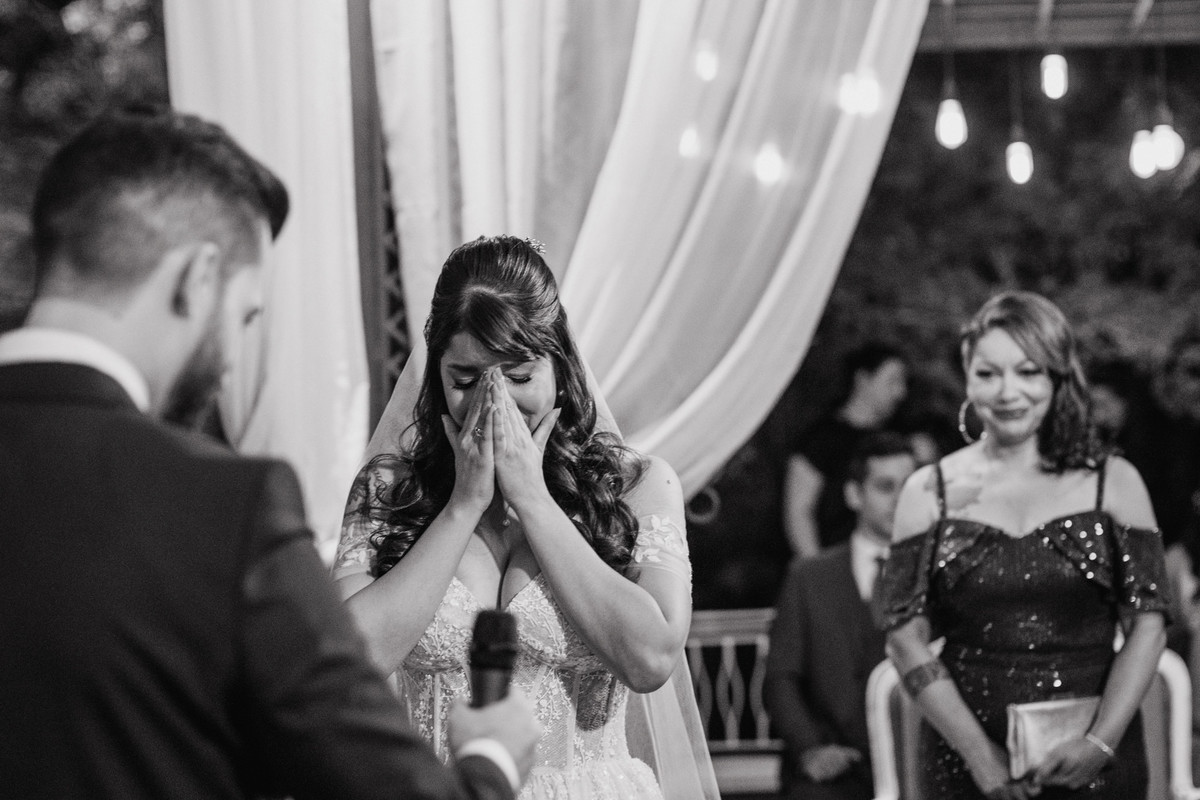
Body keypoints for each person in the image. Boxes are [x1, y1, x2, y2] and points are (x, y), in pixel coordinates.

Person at [0, 105, 539, 800]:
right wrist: (489, 762)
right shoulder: (222, 509)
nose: (229, 368)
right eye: (245, 316)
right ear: (197, 279)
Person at [334, 235, 718, 800]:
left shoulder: (637, 486)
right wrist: (463, 505)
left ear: (560, 368)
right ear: (434, 379)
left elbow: (651, 657)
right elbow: (348, 665)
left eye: (518, 377)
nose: (496, 403)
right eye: (466, 380)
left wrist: (533, 498)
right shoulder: (390, 490)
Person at [874, 290, 1170, 800]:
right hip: (965, 764)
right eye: (988, 374)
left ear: (1057, 377)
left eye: (1028, 371)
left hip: (1095, 762)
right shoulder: (928, 492)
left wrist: (1100, 744)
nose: (1007, 391)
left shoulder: (1114, 482)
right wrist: (982, 760)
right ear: (968, 378)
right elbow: (904, 639)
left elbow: (1148, 624)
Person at [765, 431, 917, 800]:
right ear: (854, 495)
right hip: (833, 767)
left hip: (915, 759)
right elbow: (781, 679)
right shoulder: (809, 577)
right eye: (885, 487)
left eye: (909, 487)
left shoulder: (937, 574)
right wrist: (811, 749)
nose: (900, 500)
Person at [783, 342, 908, 558]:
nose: (900, 392)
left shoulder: (895, 438)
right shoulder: (822, 437)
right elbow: (799, 511)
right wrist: (818, 571)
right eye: (892, 381)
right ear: (862, 380)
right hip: (833, 560)